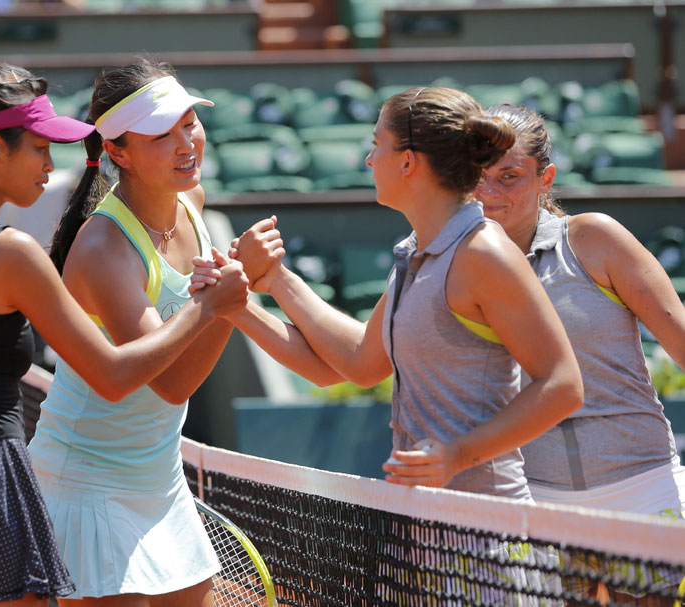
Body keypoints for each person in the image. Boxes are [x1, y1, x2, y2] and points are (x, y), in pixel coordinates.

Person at [0, 63, 249, 607]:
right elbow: (114, 373)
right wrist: (209, 306)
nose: (52, 164)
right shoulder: (11, 252)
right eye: (39, 148)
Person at [207, 87, 584, 500]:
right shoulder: (416, 251)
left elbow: (563, 384)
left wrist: (458, 455)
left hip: (487, 527)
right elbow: (356, 363)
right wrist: (251, 297)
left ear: (407, 162)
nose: (369, 160)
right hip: (424, 520)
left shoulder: (483, 252)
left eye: (376, 145)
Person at [27, 58, 305, 607]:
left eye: (190, 124)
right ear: (117, 152)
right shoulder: (104, 248)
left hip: (158, 478)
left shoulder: (192, 203)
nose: (187, 144)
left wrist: (228, 293)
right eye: (161, 133)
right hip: (87, 485)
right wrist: (228, 293)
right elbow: (169, 385)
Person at [474, 104, 685, 603]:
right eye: (477, 177)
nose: (489, 192)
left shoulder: (595, 239)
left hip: (642, 488)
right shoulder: (456, 264)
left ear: (545, 177)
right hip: (536, 500)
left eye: (509, 176)